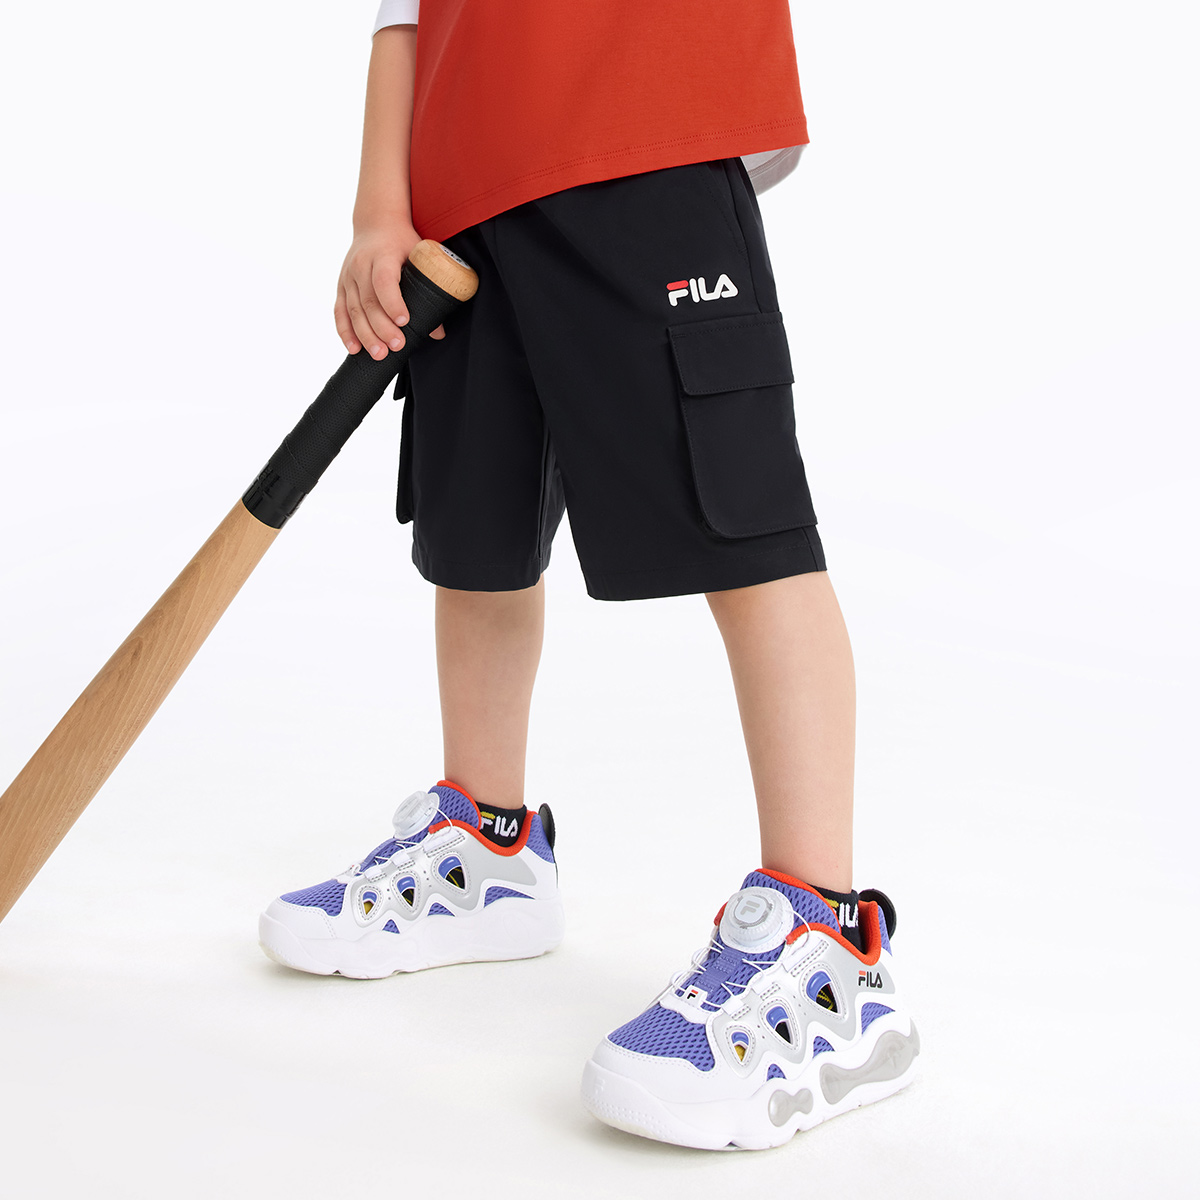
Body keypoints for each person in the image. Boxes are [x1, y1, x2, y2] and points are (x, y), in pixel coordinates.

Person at [258, 1, 918, 1150]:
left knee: (744, 526)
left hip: (643, 133)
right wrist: (381, 206)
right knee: (475, 536)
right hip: (462, 196)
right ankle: (486, 846)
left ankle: (830, 954)